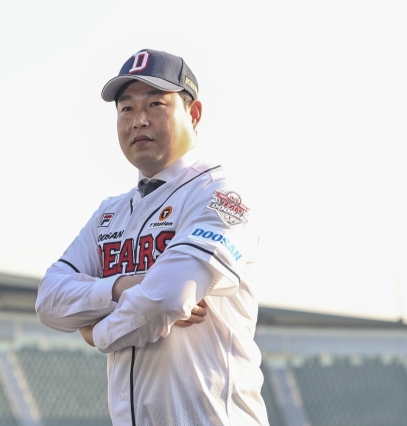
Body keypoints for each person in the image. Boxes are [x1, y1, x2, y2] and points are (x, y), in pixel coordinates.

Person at [35, 49, 269, 426]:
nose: (138, 120)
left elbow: (169, 296)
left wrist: (97, 332)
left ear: (193, 115)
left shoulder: (221, 195)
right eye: (126, 109)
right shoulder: (108, 214)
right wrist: (122, 287)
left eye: (156, 103)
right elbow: (48, 300)